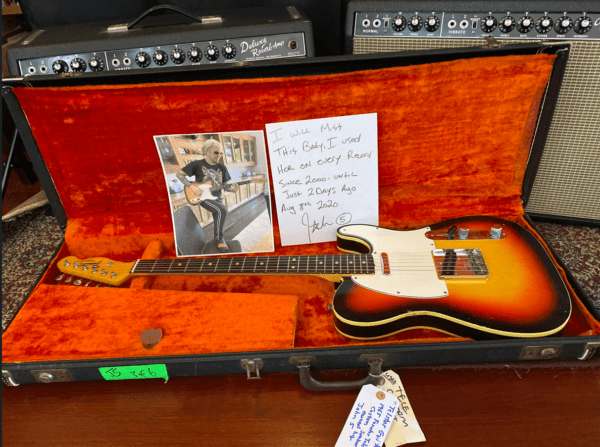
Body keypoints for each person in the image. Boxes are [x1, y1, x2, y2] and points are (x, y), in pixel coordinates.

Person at [176, 139, 239, 252]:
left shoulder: (222, 167)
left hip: (217, 197)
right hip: (203, 198)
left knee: (218, 215)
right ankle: (219, 238)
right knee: (222, 210)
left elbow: (225, 185)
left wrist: (232, 189)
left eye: (221, 153)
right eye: (216, 152)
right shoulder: (197, 164)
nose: (219, 156)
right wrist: (192, 187)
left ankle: (216, 239)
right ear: (208, 152)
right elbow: (179, 175)